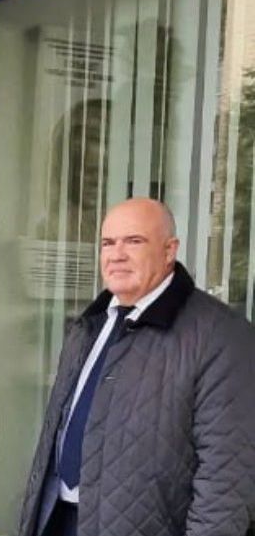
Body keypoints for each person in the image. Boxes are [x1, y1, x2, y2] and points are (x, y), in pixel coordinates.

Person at [19, 198, 255, 536]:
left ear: (169, 250)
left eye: (133, 241)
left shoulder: (220, 334)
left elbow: (226, 477)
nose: (116, 255)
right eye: (108, 243)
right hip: (59, 518)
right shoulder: (89, 326)